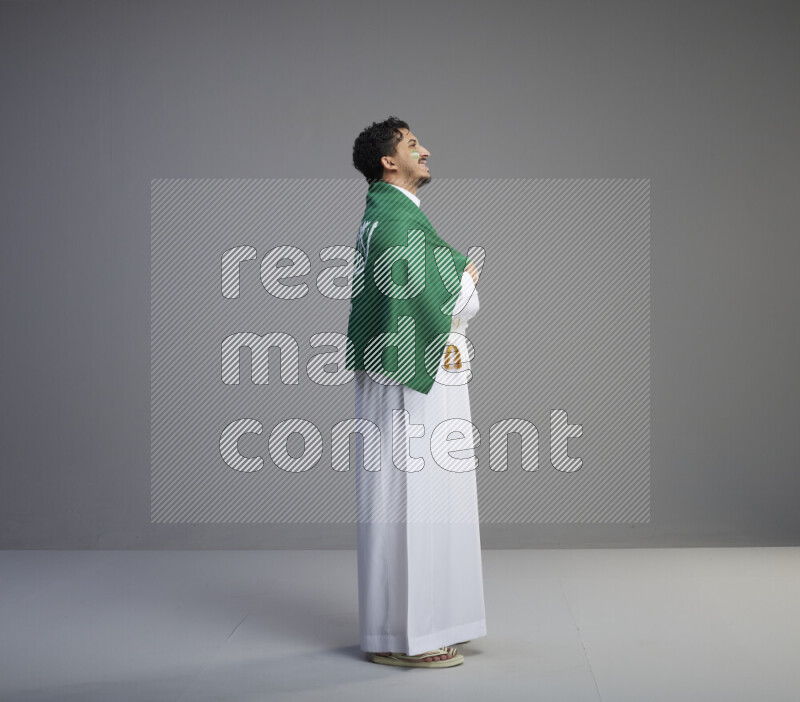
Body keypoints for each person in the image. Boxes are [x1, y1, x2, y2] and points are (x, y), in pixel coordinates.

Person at [347, 117, 486, 669]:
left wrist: (456, 275)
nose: (424, 151)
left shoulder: (392, 216)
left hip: (413, 370)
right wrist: (469, 278)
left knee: (417, 498)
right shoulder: (395, 221)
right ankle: (410, 636)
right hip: (410, 380)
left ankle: (416, 625)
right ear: (388, 161)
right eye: (411, 145)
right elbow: (441, 293)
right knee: (412, 498)